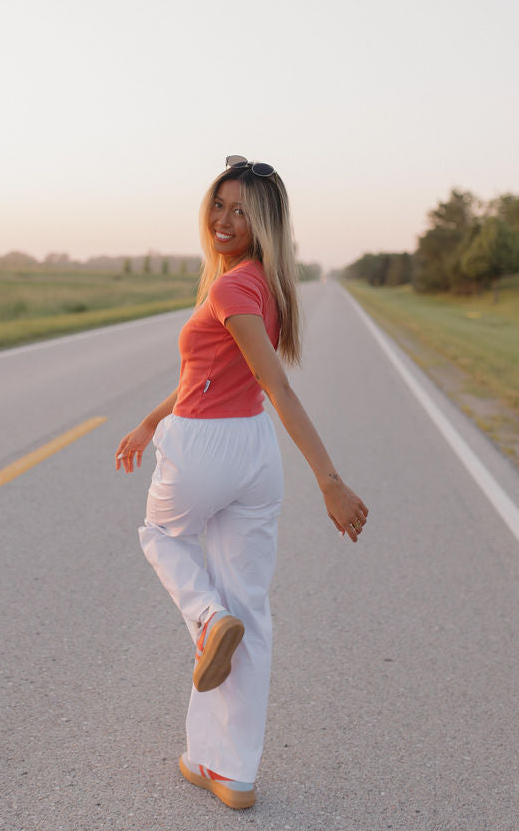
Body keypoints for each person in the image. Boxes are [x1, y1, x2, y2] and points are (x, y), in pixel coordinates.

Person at [115, 155, 369, 810]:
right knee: (249, 611)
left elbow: (274, 383)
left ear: (263, 225)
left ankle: (205, 621)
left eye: (241, 212)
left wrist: (331, 480)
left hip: (208, 447)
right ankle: (224, 767)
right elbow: (207, 377)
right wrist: (148, 421)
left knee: (161, 539)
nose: (224, 220)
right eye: (218, 206)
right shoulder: (263, 285)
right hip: (253, 455)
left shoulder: (229, 291)